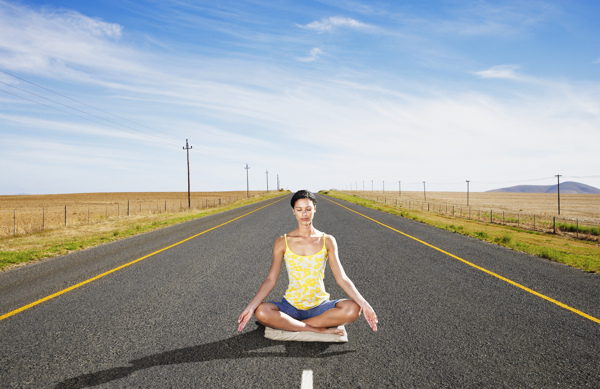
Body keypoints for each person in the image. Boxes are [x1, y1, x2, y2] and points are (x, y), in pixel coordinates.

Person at [237, 190, 378, 337]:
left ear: (315, 209)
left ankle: (293, 324)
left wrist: (364, 304)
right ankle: (316, 328)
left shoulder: (327, 240)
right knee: (261, 311)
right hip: (290, 306)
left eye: (308, 209)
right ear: (293, 211)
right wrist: (251, 307)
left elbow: (341, 278)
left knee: (353, 309)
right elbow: (271, 279)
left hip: (320, 306)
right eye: (299, 210)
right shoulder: (282, 242)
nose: (304, 214)